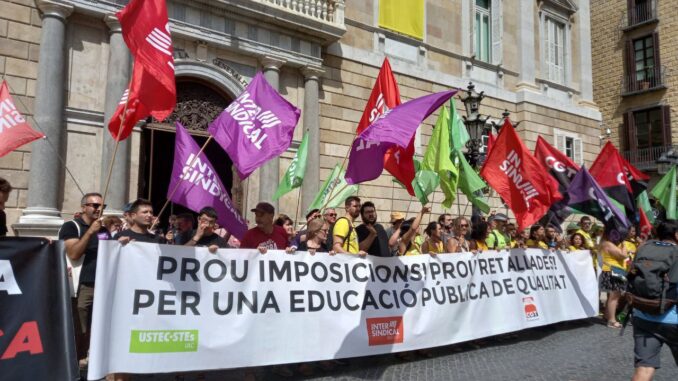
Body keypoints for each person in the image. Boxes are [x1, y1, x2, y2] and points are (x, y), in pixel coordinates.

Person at [58, 192, 111, 365]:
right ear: (83, 207)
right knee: (79, 328)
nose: (99, 209)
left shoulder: (103, 230)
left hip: (102, 284)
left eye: (102, 206)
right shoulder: (71, 226)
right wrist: (90, 232)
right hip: (82, 285)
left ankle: (88, 361)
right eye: (95, 205)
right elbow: (73, 253)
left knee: (95, 327)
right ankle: (74, 363)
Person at [629, 221, 678, 381]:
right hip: (673, 319)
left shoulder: (643, 248)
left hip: (643, 315)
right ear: (676, 235)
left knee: (643, 369)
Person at [599, 229, 628, 328]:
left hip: (613, 271)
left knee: (612, 296)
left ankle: (607, 316)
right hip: (613, 271)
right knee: (614, 296)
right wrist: (624, 245)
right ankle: (612, 320)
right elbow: (623, 255)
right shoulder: (608, 244)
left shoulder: (606, 243)